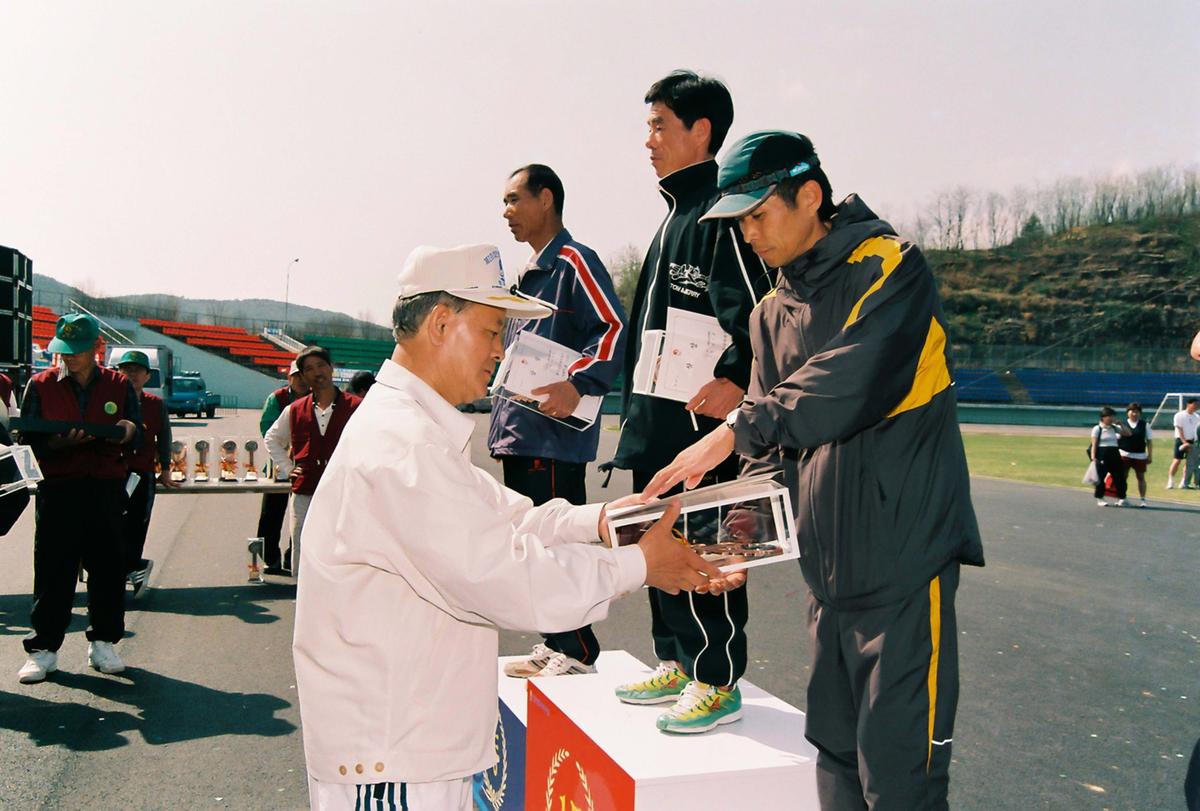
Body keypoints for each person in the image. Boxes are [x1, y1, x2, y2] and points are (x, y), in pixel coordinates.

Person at [292, 244, 720, 810]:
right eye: (494, 330)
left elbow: (509, 517)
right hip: (394, 756)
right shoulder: (402, 447)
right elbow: (506, 575)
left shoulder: (413, 431)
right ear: (442, 323)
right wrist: (640, 565)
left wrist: (603, 520)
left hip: (411, 745)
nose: (502, 351)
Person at [644, 130, 985, 807]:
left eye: (758, 214)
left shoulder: (891, 268)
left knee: (901, 778)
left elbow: (844, 384)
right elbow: (776, 459)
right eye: (738, 222)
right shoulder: (770, 312)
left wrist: (735, 427)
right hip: (825, 580)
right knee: (833, 760)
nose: (749, 235)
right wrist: (736, 543)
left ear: (810, 195)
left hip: (904, 574)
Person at [608, 70, 773, 734]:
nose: (647, 139)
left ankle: (717, 675)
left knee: (706, 542)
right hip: (657, 421)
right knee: (656, 540)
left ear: (700, 131)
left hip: (704, 429)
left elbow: (763, 309)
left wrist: (739, 373)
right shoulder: (674, 214)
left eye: (658, 125)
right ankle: (677, 661)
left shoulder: (724, 212)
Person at [490, 163, 627, 679]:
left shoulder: (575, 262)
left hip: (552, 437)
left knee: (557, 544)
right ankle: (557, 640)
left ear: (545, 199)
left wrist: (578, 382)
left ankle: (577, 648)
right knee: (532, 545)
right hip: (518, 431)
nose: (506, 212)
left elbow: (613, 328)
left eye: (513, 200)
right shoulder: (524, 277)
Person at [15, 313, 142, 683]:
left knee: (106, 567)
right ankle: (44, 649)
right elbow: (28, 439)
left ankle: (103, 641)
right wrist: (57, 442)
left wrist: (125, 431)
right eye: (63, 351)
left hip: (104, 486)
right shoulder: (40, 385)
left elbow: (134, 430)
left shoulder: (118, 384)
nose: (69, 358)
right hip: (59, 487)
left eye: (77, 351)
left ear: (96, 349)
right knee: (54, 568)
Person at [264, 346, 361, 577]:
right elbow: (272, 438)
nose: (317, 372)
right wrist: (288, 468)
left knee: (343, 552)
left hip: (344, 492)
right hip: (305, 492)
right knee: (303, 548)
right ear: (303, 376)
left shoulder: (357, 407)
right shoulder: (294, 410)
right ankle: (302, 601)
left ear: (331, 368)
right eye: (309, 369)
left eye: (321, 365)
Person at [115, 349, 179, 595]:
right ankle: (127, 568)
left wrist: (165, 469)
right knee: (110, 524)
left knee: (137, 523)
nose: (131, 374)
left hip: (142, 472)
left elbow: (164, 437)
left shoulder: (155, 404)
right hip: (113, 471)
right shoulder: (111, 401)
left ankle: (133, 566)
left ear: (147, 376)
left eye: (137, 370)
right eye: (126, 369)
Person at [253, 360, 309, 575]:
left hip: (305, 465)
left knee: (301, 512)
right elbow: (267, 427)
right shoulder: (277, 398)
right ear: (289, 378)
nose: (301, 380)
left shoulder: (316, 398)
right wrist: (288, 447)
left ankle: (292, 556)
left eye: (303, 375)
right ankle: (270, 557)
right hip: (278, 464)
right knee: (271, 512)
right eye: (296, 376)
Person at [1091, 406, 1130, 506]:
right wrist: (1093, 457)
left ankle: (1122, 497)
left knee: (1119, 477)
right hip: (1102, 454)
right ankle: (1100, 497)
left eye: (1113, 416)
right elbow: (1094, 444)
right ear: (1103, 417)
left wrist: (1121, 424)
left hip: (1114, 454)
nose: (1112, 418)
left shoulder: (1114, 428)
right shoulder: (1097, 429)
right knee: (1100, 478)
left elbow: (1128, 433)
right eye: (1110, 416)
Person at [1117, 402, 1152, 508]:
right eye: (1132, 411)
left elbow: (1149, 441)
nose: (1134, 414)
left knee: (1141, 477)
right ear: (1128, 412)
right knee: (1123, 477)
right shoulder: (1122, 424)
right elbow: (1116, 439)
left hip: (1140, 455)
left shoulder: (1145, 425)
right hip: (1124, 454)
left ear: (1140, 413)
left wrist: (1150, 455)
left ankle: (1143, 499)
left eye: (1136, 411)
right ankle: (1122, 498)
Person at [1167, 397, 1200, 489]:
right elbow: (1179, 429)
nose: (1197, 406)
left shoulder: (1197, 417)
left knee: (1189, 463)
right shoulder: (1179, 415)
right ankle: (1171, 481)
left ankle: (1183, 482)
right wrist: (1184, 442)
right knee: (1177, 460)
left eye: (1198, 405)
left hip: (1192, 441)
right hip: (1180, 440)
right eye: (1195, 404)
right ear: (1188, 404)